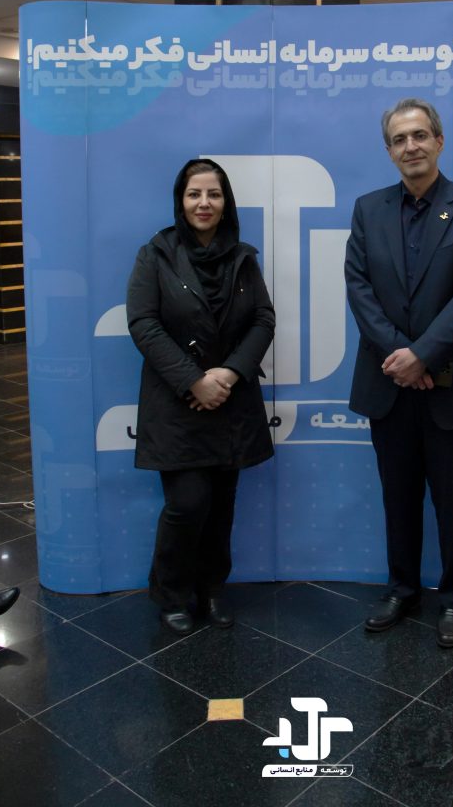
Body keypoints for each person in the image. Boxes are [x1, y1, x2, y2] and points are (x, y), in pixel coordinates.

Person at [345, 98, 453, 648]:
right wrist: (402, 357)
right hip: (389, 382)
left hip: (452, 384)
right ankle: (402, 588)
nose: (410, 146)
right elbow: (359, 289)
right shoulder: (368, 209)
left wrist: (424, 356)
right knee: (399, 495)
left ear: (438, 140)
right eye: (398, 139)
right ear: (388, 151)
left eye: (418, 135)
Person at [127, 158, 275, 635]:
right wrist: (194, 380)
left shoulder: (243, 257)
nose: (204, 203)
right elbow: (143, 323)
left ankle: (211, 590)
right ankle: (171, 595)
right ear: (181, 201)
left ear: (225, 201)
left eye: (213, 194)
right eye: (194, 194)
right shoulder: (155, 254)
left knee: (222, 505)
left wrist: (227, 374)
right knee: (188, 504)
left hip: (230, 400)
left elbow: (263, 319)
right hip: (177, 402)